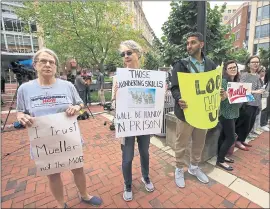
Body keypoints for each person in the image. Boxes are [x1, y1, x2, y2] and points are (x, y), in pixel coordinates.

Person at [16, 48, 102, 209]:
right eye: (43, 61)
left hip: (69, 139)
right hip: (44, 143)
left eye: (51, 62)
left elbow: (81, 104)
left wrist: (77, 108)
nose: (48, 65)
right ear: (35, 65)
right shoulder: (24, 89)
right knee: (53, 175)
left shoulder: (67, 86)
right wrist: (20, 116)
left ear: (56, 67)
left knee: (78, 169)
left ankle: (84, 195)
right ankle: (61, 204)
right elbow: (20, 111)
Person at [170, 32, 217, 188]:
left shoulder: (211, 65)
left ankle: (194, 167)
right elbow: (174, 88)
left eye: (193, 42)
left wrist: (220, 92)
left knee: (199, 143)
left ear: (201, 45)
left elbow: (215, 86)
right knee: (181, 143)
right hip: (185, 112)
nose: (189, 46)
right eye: (188, 43)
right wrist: (178, 99)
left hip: (202, 113)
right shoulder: (181, 64)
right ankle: (178, 168)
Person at [115, 40, 155, 202]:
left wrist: (159, 93)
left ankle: (146, 177)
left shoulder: (149, 77)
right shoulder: (119, 77)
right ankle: (128, 184)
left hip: (143, 122)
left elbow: (153, 99)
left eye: (129, 52)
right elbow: (113, 104)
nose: (126, 56)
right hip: (127, 123)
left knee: (145, 152)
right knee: (127, 156)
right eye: (123, 54)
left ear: (138, 54)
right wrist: (116, 95)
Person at [235, 55, 265, 151]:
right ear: (249, 64)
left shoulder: (257, 75)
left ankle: (242, 139)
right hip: (247, 104)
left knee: (250, 124)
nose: (256, 64)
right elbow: (241, 89)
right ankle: (238, 141)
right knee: (244, 124)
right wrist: (255, 92)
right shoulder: (245, 75)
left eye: (257, 62)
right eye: (254, 62)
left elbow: (259, 89)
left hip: (255, 104)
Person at [217, 60, 241, 171]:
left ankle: (221, 156)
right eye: (230, 68)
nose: (233, 69)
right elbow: (221, 99)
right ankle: (220, 160)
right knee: (231, 137)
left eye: (234, 67)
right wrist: (225, 97)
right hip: (226, 113)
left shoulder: (237, 81)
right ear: (225, 70)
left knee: (224, 136)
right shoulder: (223, 82)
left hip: (234, 112)